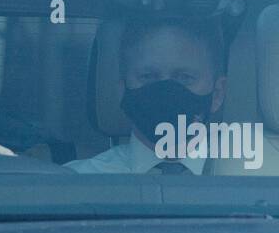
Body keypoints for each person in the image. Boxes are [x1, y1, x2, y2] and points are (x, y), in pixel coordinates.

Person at [67, 15, 226, 175]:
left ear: (217, 94)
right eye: (148, 76)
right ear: (123, 91)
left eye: (184, 77)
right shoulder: (76, 183)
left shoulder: (246, 183)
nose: (166, 93)